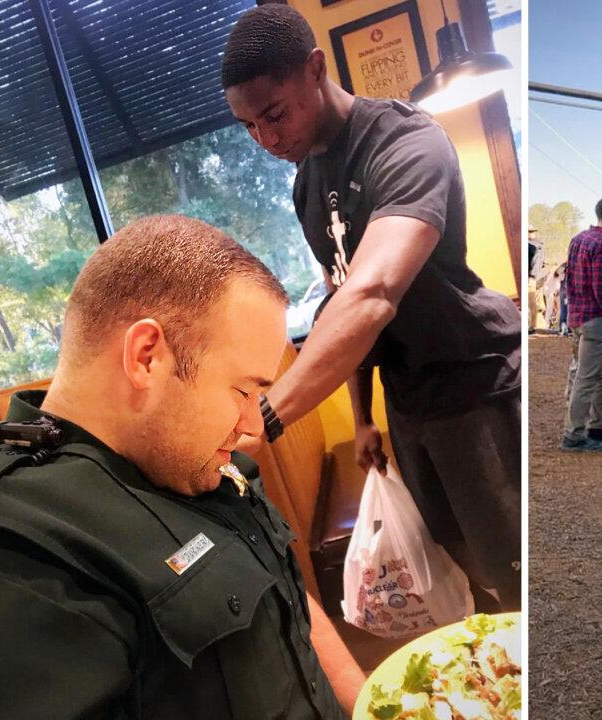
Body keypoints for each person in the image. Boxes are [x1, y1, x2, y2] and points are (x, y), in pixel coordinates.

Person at [0, 216, 350, 718]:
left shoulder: (193, 457)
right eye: (244, 390)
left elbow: (282, 598)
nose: (253, 423)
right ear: (147, 357)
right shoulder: (12, 551)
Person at [221, 5, 521, 609]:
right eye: (249, 126)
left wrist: (266, 418)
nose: (267, 139)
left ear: (316, 68)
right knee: (459, 567)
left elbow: (374, 294)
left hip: (476, 389)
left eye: (274, 114)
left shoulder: (408, 141)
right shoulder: (305, 184)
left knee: (514, 573)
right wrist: (363, 417)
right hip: (410, 407)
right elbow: (343, 295)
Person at [560, 195, 602, 452]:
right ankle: (574, 434)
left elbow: (569, 277)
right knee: (587, 378)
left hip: (578, 315)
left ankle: (598, 424)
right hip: (596, 319)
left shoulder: (579, 239)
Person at [528, 226, 544, 333]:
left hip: (529, 277)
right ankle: (532, 326)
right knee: (532, 303)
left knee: (530, 303)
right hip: (534, 277)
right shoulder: (540, 246)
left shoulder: (531, 246)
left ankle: (531, 327)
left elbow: (532, 263)